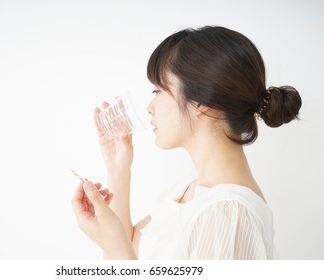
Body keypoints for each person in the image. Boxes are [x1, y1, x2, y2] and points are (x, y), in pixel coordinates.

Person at [71, 26, 302, 260]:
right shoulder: (193, 189)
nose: (150, 108)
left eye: (158, 90)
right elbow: (131, 247)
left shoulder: (228, 214)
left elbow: (121, 254)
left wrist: (114, 247)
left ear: (202, 101)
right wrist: (118, 166)